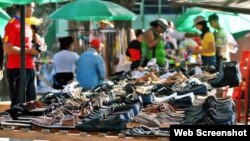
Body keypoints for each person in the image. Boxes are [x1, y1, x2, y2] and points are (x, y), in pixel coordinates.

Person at [3, 3, 44, 107]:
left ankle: (30, 122)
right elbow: (7, 48)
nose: (34, 10)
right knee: (18, 103)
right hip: (17, 68)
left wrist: (40, 46)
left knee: (31, 102)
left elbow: (30, 45)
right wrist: (29, 51)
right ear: (25, 7)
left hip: (30, 67)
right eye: (32, 7)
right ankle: (15, 122)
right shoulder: (12, 24)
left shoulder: (26, 24)